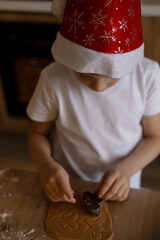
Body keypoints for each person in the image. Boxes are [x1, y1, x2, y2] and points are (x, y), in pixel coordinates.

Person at [26, 0, 160, 204]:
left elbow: (155, 137)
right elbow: (38, 134)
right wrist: (46, 167)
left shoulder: (147, 75)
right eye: (86, 74)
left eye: (113, 76)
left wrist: (126, 169)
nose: (99, 87)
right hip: (69, 185)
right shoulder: (53, 79)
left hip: (124, 186)